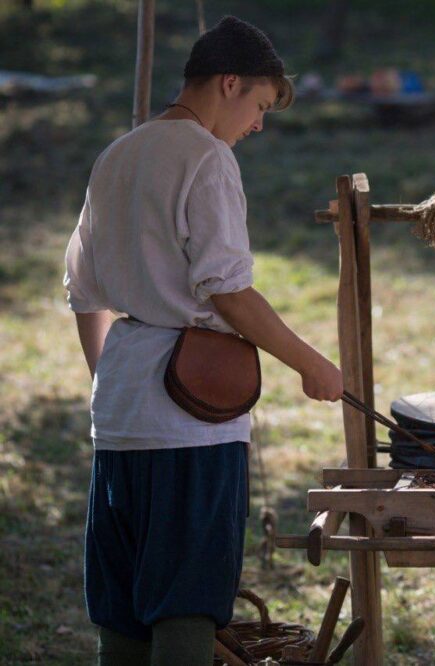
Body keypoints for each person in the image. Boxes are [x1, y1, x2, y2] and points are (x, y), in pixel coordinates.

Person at [64, 16, 343, 666]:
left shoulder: (118, 153)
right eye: (260, 106)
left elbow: (83, 293)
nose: (258, 126)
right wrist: (312, 364)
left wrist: (111, 385)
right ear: (228, 82)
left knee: (125, 605)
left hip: (123, 410)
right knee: (186, 599)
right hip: (190, 421)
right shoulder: (206, 157)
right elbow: (230, 292)